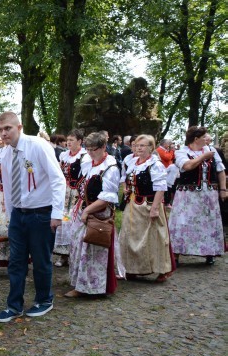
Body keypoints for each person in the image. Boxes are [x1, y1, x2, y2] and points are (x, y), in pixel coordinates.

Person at [0, 112, 65, 322]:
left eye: (8, 128)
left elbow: (57, 179)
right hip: (18, 214)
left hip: (40, 213)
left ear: (19, 127)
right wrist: (10, 211)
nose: (4, 133)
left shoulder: (38, 146)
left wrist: (57, 214)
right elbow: (7, 183)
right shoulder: (5, 153)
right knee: (16, 261)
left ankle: (44, 300)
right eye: (1, 129)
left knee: (41, 260)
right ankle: (14, 305)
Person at [65, 132, 120, 298]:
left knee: (92, 249)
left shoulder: (110, 168)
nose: (89, 153)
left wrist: (88, 210)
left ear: (103, 147)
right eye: (87, 149)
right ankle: (80, 283)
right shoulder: (89, 164)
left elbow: (106, 198)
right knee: (79, 248)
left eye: (93, 149)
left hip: (98, 214)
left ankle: (91, 286)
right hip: (83, 210)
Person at [119, 134, 175, 282]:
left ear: (151, 148)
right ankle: (133, 268)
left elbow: (160, 187)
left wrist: (155, 208)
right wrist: (126, 188)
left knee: (155, 238)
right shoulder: (131, 162)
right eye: (137, 145)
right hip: (132, 205)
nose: (139, 148)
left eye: (142, 145)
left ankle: (161, 269)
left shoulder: (155, 164)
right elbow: (124, 178)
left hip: (149, 204)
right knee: (130, 236)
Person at [168, 126, 227, 265]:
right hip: (187, 195)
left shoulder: (211, 151)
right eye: (204, 137)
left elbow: (220, 171)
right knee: (182, 222)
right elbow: (187, 166)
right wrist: (203, 157)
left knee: (208, 223)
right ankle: (176, 253)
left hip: (208, 195)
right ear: (196, 139)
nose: (207, 139)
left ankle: (209, 252)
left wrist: (223, 189)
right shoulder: (181, 152)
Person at [53, 129, 88, 267]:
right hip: (64, 193)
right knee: (63, 221)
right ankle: (63, 254)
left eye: (72, 140)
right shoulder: (63, 155)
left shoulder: (84, 156)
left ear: (80, 141)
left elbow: (85, 177)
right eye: (68, 140)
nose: (68, 143)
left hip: (76, 194)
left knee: (73, 222)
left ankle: (74, 253)